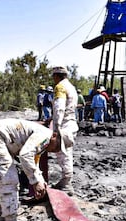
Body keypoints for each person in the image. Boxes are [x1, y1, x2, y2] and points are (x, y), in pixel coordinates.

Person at [0, 119, 61, 221]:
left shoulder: (44, 141)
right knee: (9, 180)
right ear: (54, 136)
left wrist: (40, 181)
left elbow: (33, 161)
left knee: (6, 182)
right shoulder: (45, 135)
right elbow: (25, 155)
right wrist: (35, 182)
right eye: (58, 146)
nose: (56, 151)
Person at [51, 66, 79, 196]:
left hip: (64, 124)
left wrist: (56, 128)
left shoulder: (60, 87)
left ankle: (66, 183)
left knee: (63, 153)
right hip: (71, 122)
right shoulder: (71, 87)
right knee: (67, 153)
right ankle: (66, 181)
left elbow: (59, 108)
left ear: (56, 76)